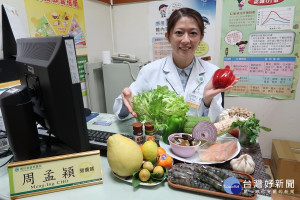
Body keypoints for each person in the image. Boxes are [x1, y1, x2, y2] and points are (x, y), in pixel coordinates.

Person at [113, 8, 239, 123]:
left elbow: (216, 122)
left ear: (201, 37)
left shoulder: (213, 73)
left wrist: (207, 101)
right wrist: (127, 103)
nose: (185, 40)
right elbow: (123, 113)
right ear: (168, 36)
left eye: (193, 33)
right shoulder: (149, 71)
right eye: (179, 33)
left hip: (198, 142)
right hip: (160, 143)